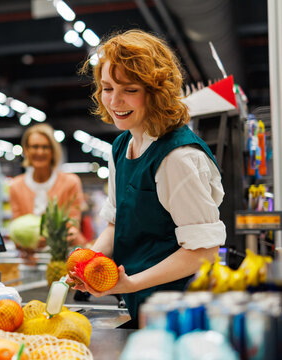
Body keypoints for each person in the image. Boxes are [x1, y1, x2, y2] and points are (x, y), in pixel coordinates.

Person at [69, 29, 225, 327]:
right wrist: (87, 261)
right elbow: (117, 224)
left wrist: (131, 283)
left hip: (184, 312)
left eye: (130, 89)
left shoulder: (178, 157)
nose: (115, 101)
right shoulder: (121, 146)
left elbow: (202, 252)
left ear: (155, 92)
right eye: (107, 88)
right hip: (144, 307)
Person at [9, 123, 88, 247]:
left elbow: (73, 225)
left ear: (53, 151)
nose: (40, 152)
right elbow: (17, 225)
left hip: (66, 253)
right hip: (31, 256)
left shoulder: (71, 182)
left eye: (45, 147)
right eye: (35, 147)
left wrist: (47, 238)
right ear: (26, 150)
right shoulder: (16, 186)